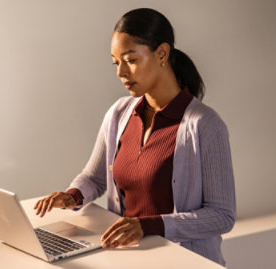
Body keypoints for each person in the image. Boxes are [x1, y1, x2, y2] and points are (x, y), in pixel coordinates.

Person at [34, 8, 235, 266]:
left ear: (162, 53)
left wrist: (148, 225)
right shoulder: (119, 114)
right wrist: (73, 195)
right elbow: (94, 177)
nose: (121, 73)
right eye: (116, 62)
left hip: (183, 261)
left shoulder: (205, 125)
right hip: (129, 259)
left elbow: (222, 216)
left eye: (130, 60)